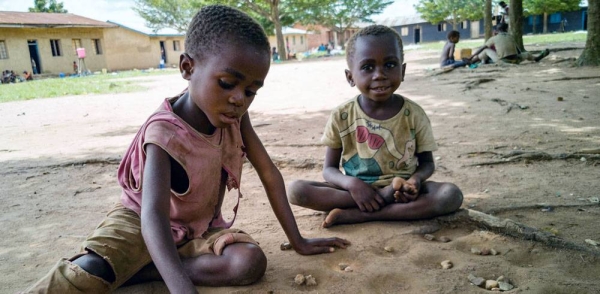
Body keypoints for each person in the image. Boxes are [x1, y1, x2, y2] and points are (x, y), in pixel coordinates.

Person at [23, 5, 349, 293]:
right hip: (139, 225)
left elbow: (269, 174)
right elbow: (152, 215)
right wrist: (181, 288)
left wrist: (299, 241)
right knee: (89, 271)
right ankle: (141, 267)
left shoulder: (235, 116)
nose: (239, 98)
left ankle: (143, 270)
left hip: (198, 230)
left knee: (248, 263)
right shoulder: (164, 131)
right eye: (227, 83)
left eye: (251, 90)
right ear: (188, 68)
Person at [287, 25, 463, 228]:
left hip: (403, 191)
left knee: (450, 195)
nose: (379, 74)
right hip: (354, 192)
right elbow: (329, 170)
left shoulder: (414, 114)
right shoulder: (342, 115)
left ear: (403, 70)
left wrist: (415, 181)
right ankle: (381, 202)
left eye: (389, 65)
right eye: (368, 67)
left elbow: (427, 164)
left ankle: (362, 215)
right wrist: (352, 184)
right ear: (350, 77)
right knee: (297, 190)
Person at [469, 23, 550, 65]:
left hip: (504, 61)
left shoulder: (494, 38)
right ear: (506, 29)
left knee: (486, 50)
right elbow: (518, 51)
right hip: (516, 60)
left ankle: (471, 61)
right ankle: (536, 58)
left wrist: (471, 56)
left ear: (497, 30)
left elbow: (482, 48)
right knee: (527, 54)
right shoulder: (511, 36)